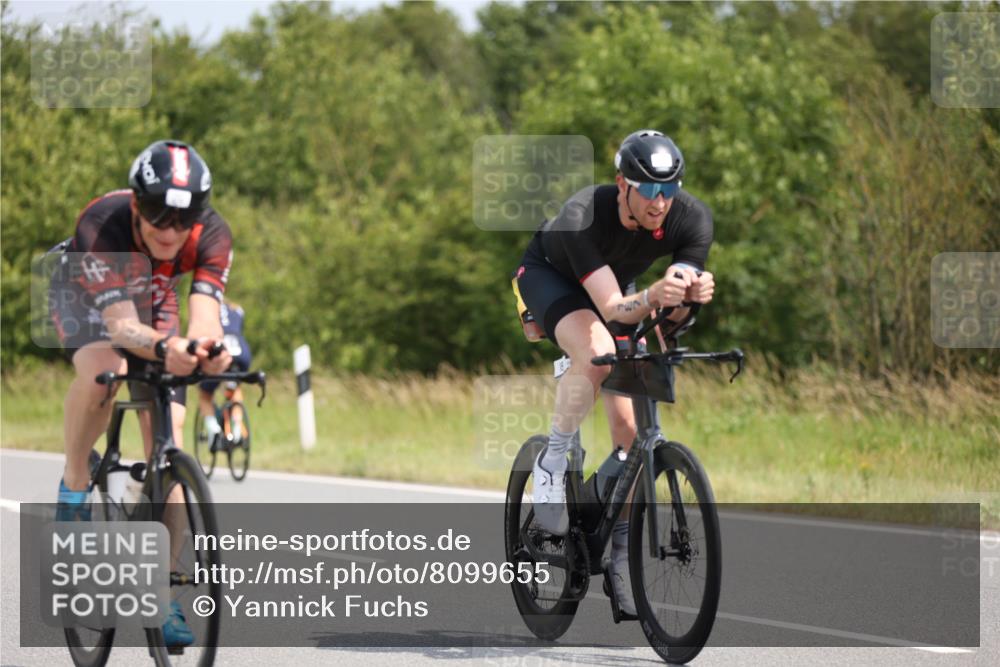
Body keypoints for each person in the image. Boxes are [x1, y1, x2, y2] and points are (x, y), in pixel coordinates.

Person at [514, 129, 715, 616]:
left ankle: (621, 552)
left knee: (630, 438)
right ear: (622, 184)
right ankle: (552, 460)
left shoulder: (692, 219)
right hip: (553, 279)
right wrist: (652, 297)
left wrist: (687, 302)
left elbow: (668, 321)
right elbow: (612, 307)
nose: (660, 202)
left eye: (669, 190)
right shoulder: (582, 214)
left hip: (618, 286)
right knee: (598, 349)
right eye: (648, 190)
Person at [50, 139, 234, 646]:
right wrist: (165, 345)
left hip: (153, 303)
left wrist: (207, 348)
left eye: (184, 219)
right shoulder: (102, 224)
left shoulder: (213, 233)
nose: (171, 231)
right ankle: (73, 481)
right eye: (157, 216)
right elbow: (121, 329)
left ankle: (160, 594)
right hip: (88, 299)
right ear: (136, 204)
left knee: (170, 443)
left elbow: (203, 315)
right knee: (102, 374)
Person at [197, 300, 252, 446]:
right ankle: (237, 426)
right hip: (241, 350)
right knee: (234, 388)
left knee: (205, 395)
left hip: (221, 350)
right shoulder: (237, 308)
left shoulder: (205, 307)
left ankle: (213, 429)